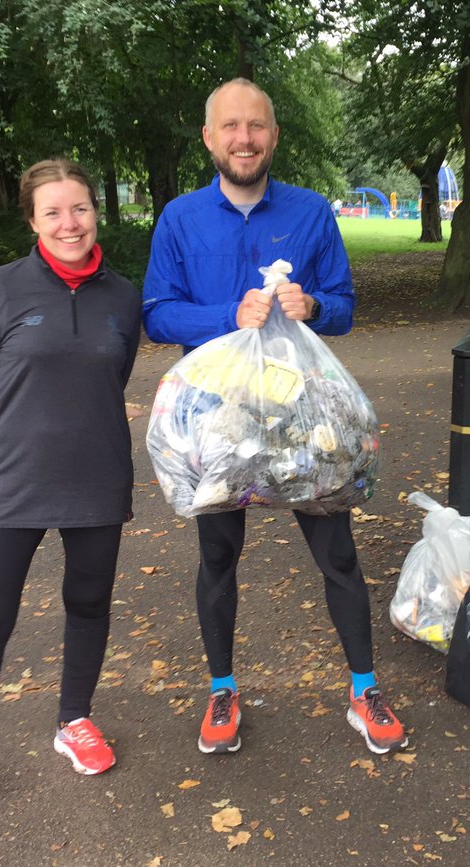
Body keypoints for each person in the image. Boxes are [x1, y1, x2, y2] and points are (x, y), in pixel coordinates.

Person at [142, 78, 407, 757]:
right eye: (230, 126)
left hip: (302, 423)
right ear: (209, 137)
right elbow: (157, 313)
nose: (244, 138)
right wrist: (225, 318)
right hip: (219, 425)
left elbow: (344, 305)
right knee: (217, 557)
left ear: (273, 134)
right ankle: (223, 689)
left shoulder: (312, 213)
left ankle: (364, 689)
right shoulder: (180, 218)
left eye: (255, 125)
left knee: (338, 556)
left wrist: (312, 307)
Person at [0, 159, 142, 833]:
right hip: (10, 483)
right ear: (32, 221)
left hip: (97, 479)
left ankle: (74, 721)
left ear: (96, 212)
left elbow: (111, 376)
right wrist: (12, 444)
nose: (70, 223)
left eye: (81, 208)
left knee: (88, 603)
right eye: (53, 212)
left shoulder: (122, 296)